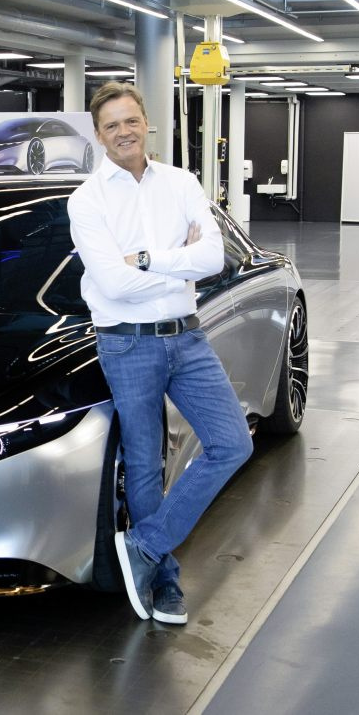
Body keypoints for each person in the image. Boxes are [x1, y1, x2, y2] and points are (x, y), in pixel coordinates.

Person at [67, 81, 252, 625]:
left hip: (187, 337)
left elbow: (213, 258)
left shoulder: (181, 182)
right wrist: (179, 264)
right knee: (146, 466)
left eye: (131, 120)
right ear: (99, 135)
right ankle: (164, 580)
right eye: (111, 126)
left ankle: (144, 545)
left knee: (232, 442)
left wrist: (147, 259)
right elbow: (113, 284)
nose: (123, 132)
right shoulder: (87, 200)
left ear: (147, 122)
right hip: (127, 342)